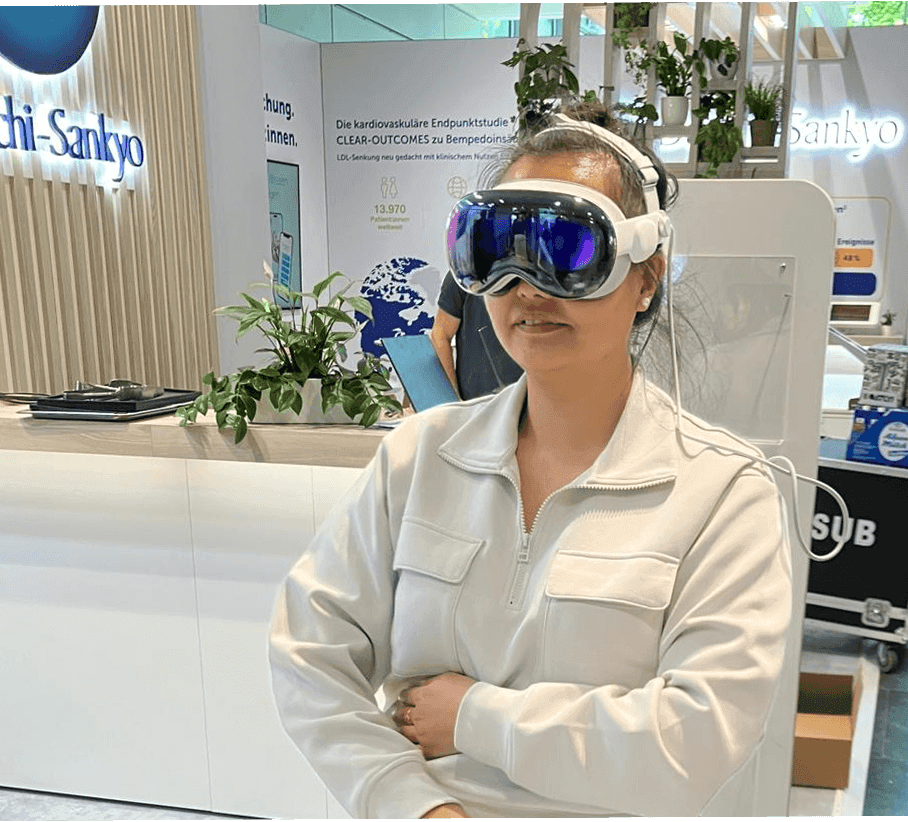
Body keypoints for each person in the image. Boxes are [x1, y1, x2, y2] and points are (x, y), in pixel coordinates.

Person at [268, 105, 793, 818]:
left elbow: (694, 745)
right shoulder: (419, 458)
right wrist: (411, 805)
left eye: (568, 250)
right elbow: (308, 654)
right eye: (495, 249)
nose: (526, 287)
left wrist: (473, 716)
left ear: (645, 278)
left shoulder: (719, 490)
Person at [431, 272, 524, 399]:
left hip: (534, 398)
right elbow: (440, 334)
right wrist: (452, 398)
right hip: (479, 401)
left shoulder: (541, 269)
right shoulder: (465, 273)